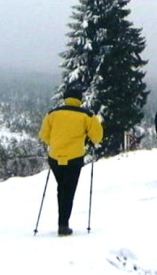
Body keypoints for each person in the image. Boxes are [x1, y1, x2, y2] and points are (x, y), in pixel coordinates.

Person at [39, 86, 103, 236]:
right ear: (80, 99)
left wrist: (55, 143)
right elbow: (97, 137)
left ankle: (62, 222)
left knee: (61, 188)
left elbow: (43, 135)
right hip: (74, 157)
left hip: (55, 157)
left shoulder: (52, 114)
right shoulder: (87, 115)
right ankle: (63, 224)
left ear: (65, 98)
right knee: (68, 190)